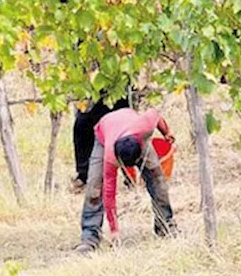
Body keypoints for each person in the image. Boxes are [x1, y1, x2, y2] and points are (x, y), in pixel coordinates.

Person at [75, 107, 177, 253]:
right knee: (94, 188)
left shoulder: (145, 128)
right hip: (105, 132)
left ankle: (166, 226)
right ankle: (89, 237)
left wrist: (166, 132)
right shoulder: (110, 154)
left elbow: (155, 113)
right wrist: (114, 229)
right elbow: (109, 194)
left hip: (132, 128)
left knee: (157, 180)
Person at [70, 90, 131, 194]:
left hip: (116, 87)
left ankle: (131, 176)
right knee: (82, 126)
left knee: (123, 133)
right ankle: (83, 177)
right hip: (90, 90)